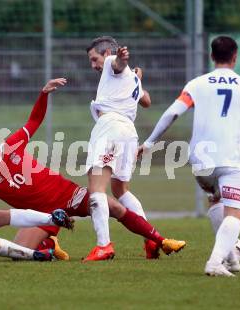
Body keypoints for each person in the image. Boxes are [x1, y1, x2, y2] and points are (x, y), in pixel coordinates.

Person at [0, 78, 185, 262]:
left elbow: (34, 119)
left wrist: (43, 94)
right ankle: (49, 243)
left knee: (109, 205)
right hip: (43, 216)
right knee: (23, 254)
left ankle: (159, 239)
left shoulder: (12, 145)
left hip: (67, 196)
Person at [139, 36, 240, 276]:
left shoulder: (197, 84)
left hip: (201, 161)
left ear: (211, 57)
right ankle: (215, 262)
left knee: (216, 200)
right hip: (232, 160)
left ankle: (231, 256)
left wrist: (149, 143)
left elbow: (172, 113)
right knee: (234, 213)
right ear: (235, 57)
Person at [84, 36, 154, 261]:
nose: (93, 65)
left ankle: (103, 245)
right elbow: (147, 101)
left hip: (110, 128)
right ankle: (150, 238)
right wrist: (137, 78)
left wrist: (121, 60)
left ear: (105, 54)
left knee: (97, 188)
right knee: (120, 190)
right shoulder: (131, 78)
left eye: (94, 58)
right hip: (129, 133)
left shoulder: (111, 63)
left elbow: (116, 63)